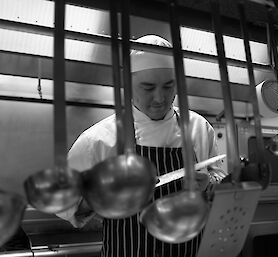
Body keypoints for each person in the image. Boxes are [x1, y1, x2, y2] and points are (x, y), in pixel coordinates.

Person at [56, 35, 227, 257]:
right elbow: (66, 206)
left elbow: (221, 184)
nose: (160, 98)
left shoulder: (198, 128)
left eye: (168, 86)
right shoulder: (98, 140)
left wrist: (208, 186)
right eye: (148, 87)